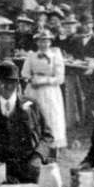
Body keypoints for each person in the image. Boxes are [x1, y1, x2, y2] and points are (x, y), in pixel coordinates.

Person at [21, 29, 67, 158]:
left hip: (49, 91)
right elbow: (24, 73)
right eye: (41, 41)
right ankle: (34, 147)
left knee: (51, 117)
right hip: (34, 90)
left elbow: (60, 78)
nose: (43, 44)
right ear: (36, 42)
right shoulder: (31, 55)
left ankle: (53, 150)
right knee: (34, 116)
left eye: (46, 41)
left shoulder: (55, 55)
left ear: (50, 42)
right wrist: (31, 79)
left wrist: (44, 81)